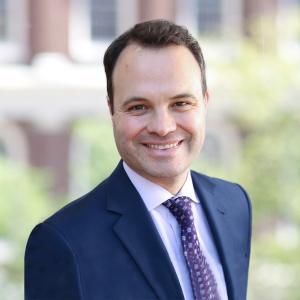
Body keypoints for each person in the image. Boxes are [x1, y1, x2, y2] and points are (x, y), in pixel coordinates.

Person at [25, 20, 251, 300]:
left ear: (205, 102)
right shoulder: (62, 243)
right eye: (139, 107)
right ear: (112, 110)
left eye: (180, 103)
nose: (163, 126)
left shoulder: (234, 204)